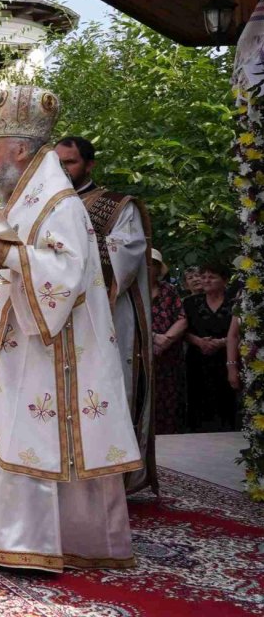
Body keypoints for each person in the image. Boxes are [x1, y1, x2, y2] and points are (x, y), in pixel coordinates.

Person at [0, 85, 141, 572]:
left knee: (31, 434)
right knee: (6, 431)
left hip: (51, 349)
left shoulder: (58, 203)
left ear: (17, 150)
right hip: (16, 344)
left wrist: (6, 253)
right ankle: (1, 539)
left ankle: (37, 543)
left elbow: (68, 271)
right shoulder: (22, 199)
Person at [57, 135, 156, 494]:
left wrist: (76, 249)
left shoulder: (115, 205)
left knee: (109, 390)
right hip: (58, 314)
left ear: (89, 165)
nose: (63, 170)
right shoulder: (44, 205)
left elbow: (128, 253)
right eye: (58, 163)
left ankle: (113, 481)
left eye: (69, 163)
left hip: (107, 313)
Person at [183, 262, 238, 431]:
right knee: (197, 405)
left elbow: (241, 333)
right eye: (203, 276)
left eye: (212, 277)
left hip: (227, 359)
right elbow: (182, 331)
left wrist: (222, 342)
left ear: (225, 280)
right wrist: (199, 341)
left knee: (227, 405)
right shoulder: (190, 303)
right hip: (197, 360)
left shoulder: (235, 303)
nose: (206, 280)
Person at [149, 250, 188, 435]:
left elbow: (182, 318)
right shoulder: (132, 290)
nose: (150, 267)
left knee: (169, 395)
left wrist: (166, 339)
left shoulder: (169, 290)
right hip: (143, 354)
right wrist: (154, 337)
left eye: (154, 264)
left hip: (169, 354)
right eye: (147, 263)